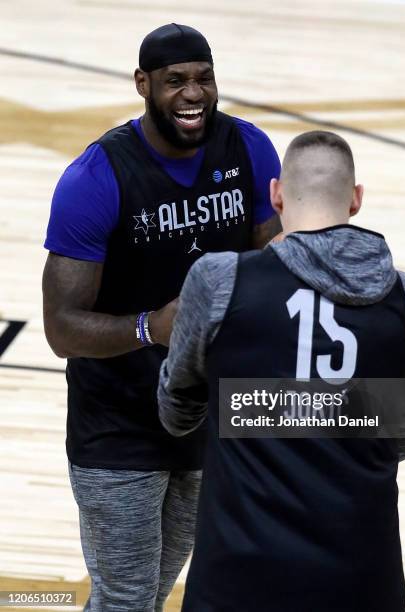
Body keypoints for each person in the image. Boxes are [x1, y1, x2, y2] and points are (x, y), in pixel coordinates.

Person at [42, 23, 281, 612]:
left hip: (206, 415)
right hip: (118, 424)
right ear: (143, 84)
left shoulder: (248, 149)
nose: (193, 94)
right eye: (175, 81)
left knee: (155, 588)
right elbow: (60, 328)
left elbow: (274, 271)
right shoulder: (96, 177)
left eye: (204, 78)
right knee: (126, 597)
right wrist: (154, 326)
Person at [158, 130, 405, 611]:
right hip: (361, 582)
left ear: (276, 194)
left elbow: (176, 411)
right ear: (356, 201)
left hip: (236, 581)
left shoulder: (220, 279)